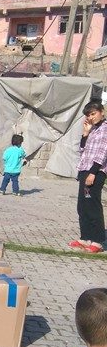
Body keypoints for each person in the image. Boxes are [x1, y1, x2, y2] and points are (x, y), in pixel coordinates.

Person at [73, 102, 107, 254]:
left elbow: (103, 152)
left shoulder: (105, 129)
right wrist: (85, 134)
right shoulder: (92, 129)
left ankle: (98, 240)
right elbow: (82, 151)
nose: (91, 117)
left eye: (93, 113)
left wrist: (93, 172)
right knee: (83, 205)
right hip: (85, 171)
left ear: (102, 112)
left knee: (93, 205)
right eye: (88, 115)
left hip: (96, 172)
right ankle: (85, 237)